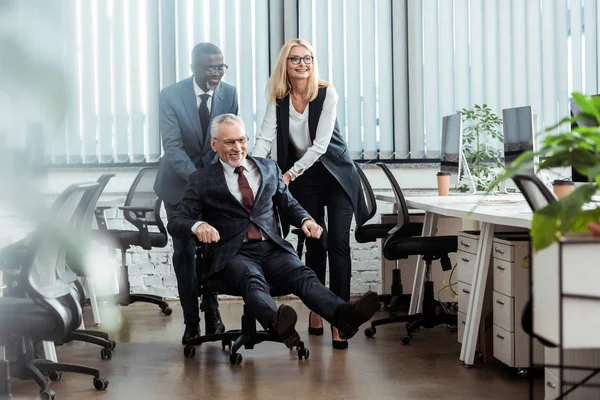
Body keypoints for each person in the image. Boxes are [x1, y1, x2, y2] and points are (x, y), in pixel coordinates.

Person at [167, 114, 379, 349]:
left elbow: (288, 204)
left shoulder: (269, 168)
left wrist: (305, 220)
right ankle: (276, 322)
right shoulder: (201, 179)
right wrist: (199, 226)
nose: (238, 148)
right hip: (234, 254)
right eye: (229, 142)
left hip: (272, 248)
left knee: (303, 275)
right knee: (252, 280)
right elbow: (177, 221)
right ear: (214, 144)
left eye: (242, 140)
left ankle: (344, 316)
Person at [252, 38, 368, 349]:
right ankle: (320, 309)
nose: (303, 64)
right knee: (316, 240)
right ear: (285, 65)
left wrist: (287, 174)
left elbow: (320, 145)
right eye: (295, 59)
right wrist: (252, 170)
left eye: (308, 58)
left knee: (339, 242)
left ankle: (341, 320)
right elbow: (264, 140)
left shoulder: (327, 93)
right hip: (307, 176)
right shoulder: (278, 100)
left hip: (336, 173)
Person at [154, 42, 238, 343]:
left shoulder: (229, 93)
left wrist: (212, 181)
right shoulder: (171, 96)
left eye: (221, 66)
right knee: (185, 253)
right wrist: (198, 180)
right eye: (210, 67)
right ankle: (191, 320)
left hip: (213, 185)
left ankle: (212, 310)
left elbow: (227, 142)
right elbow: (173, 148)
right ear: (194, 68)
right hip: (178, 187)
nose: (216, 72)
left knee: (214, 248)